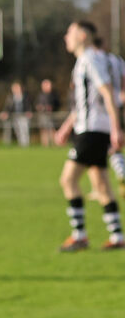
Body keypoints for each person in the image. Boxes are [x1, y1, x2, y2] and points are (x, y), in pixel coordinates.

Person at [54, 20, 124, 251]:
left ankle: (80, 236)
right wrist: (66, 126)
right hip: (94, 129)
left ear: (83, 35)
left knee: (68, 179)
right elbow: (89, 101)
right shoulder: (87, 60)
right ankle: (117, 237)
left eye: (70, 31)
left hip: (92, 130)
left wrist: (116, 127)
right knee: (101, 183)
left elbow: (106, 91)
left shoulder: (90, 59)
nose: (66, 36)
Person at [93, 36, 125, 188]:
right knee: (114, 145)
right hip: (118, 104)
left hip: (99, 109)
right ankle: (120, 170)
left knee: (96, 149)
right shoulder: (117, 60)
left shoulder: (91, 59)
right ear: (104, 44)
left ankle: (100, 187)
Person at [0, 80, 32, 146]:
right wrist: (5, 113)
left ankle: (26, 145)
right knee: (18, 131)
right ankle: (21, 144)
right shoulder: (10, 97)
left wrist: (29, 111)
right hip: (14, 117)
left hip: (23, 116)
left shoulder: (25, 96)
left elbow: (28, 106)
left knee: (24, 131)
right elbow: (7, 107)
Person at [36, 78, 61, 147]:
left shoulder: (54, 95)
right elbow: (37, 104)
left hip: (52, 116)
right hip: (43, 115)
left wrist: (52, 108)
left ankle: (55, 144)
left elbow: (58, 104)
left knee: (53, 130)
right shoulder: (40, 95)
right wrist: (40, 107)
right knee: (44, 130)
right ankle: (45, 145)